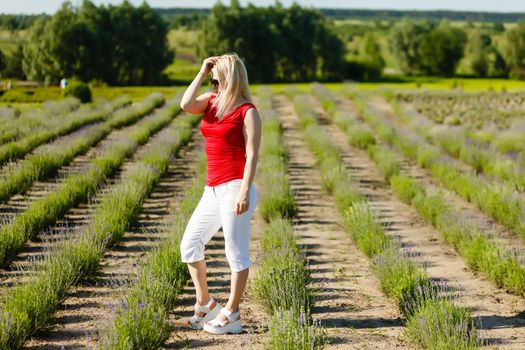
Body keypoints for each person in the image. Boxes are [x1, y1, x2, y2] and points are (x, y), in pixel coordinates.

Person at [179, 53, 262, 335]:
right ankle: (205, 303)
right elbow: (185, 104)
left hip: (235, 187)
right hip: (212, 189)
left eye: (218, 79)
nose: (215, 85)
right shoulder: (210, 102)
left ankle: (232, 314)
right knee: (189, 245)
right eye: (213, 81)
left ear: (232, 78)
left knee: (235, 253)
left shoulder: (248, 111)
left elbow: (252, 155)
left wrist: (244, 192)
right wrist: (202, 71)